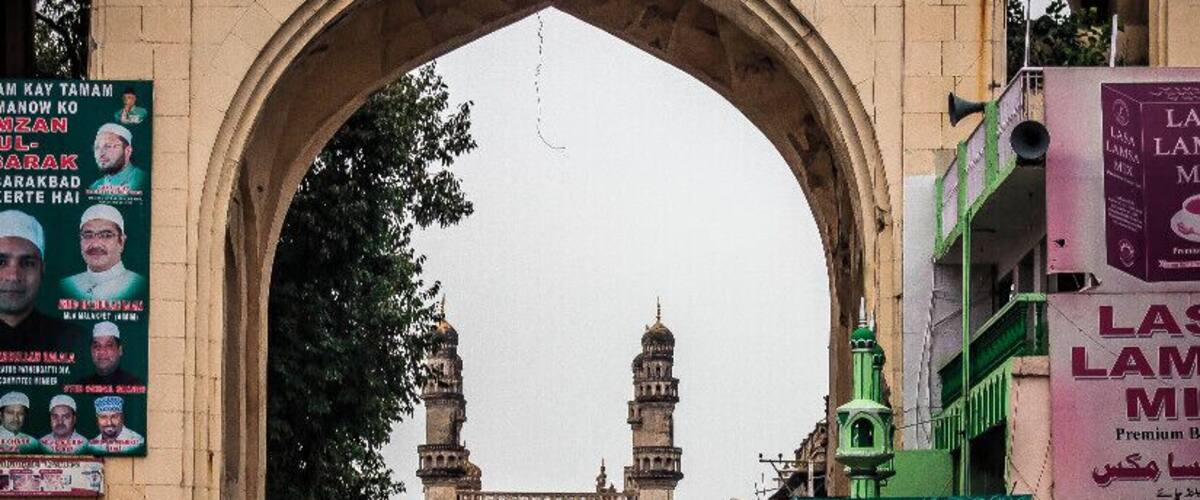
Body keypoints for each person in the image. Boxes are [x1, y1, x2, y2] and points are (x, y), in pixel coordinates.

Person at [0, 210, 84, 351]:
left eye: (27, 263)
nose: (13, 276)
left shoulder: (76, 342)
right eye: (1, 262)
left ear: (42, 270)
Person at [60, 204, 147, 301]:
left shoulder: (138, 285)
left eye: (106, 235)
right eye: (88, 235)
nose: (96, 244)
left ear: (121, 241)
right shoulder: (67, 284)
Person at [76, 321, 144, 387]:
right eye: (97, 346)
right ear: (91, 351)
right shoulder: (81, 385)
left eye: (109, 345)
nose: (102, 352)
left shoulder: (134, 385)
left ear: (120, 350)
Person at [88, 123, 148, 195]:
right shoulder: (94, 187)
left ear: (127, 150)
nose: (101, 154)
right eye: (97, 147)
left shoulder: (143, 181)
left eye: (108, 146)